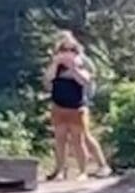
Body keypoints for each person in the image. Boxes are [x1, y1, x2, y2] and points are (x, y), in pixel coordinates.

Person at [44, 31, 111, 181]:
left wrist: (73, 68)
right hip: (59, 105)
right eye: (63, 50)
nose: (67, 53)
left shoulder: (82, 63)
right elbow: (48, 81)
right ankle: (60, 170)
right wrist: (56, 63)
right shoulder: (56, 64)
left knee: (80, 139)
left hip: (77, 106)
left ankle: (86, 170)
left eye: (70, 50)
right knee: (60, 139)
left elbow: (85, 80)